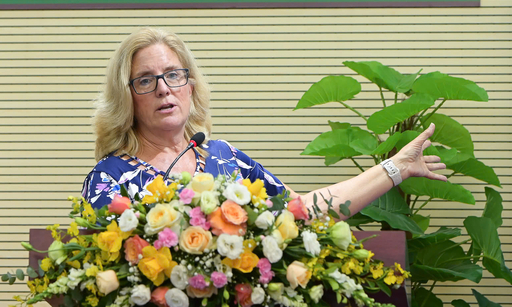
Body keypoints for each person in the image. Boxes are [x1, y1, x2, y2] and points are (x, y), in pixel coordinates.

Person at [81, 27, 447, 216]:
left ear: (190, 86)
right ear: (127, 97)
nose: (163, 89)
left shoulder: (225, 158)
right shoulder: (110, 176)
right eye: (146, 80)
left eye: (174, 75)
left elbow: (301, 211)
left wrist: (395, 167)